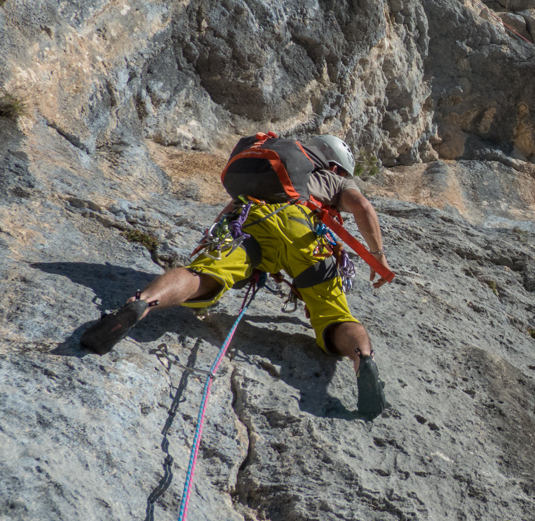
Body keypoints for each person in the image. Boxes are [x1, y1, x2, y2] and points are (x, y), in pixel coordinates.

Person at [80, 135, 395, 417]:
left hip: (248, 220)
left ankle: (142, 303)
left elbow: (230, 209)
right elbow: (362, 206)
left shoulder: (277, 167)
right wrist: (378, 256)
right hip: (302, 232)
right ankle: (363, 359)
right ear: (335, 165)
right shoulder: (333, 179)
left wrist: (210, 244)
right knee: (334, 315)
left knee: (203, 275)